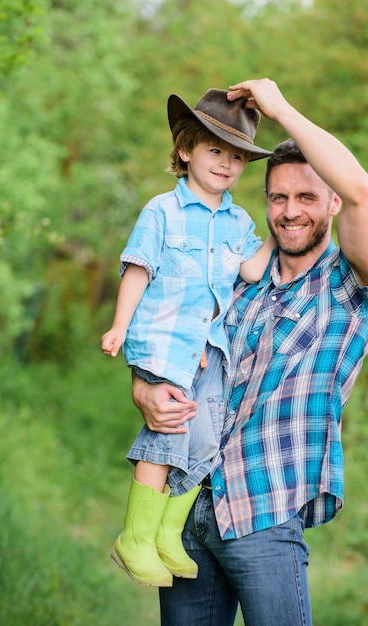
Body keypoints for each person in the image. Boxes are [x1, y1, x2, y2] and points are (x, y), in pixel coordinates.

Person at [132, 78, 368, 625]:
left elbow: (364, 190)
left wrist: (278, 109)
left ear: (331, 201)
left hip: (264, 510)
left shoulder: (351, 286)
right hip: (184, 510)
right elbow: (170, 336)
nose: (290, 210)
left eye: (306, 196)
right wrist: (144, 388)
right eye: (278, 196)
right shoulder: (237, 269)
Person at [101, 87, 274, 587]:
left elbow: (249, 270)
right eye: (215, 150)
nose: (226, 163)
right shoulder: (162, 211)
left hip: (207, 350)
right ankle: (134, 536)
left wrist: (281, 239)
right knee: (169, 428)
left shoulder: (239, 221)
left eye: (237, 156)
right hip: (162, 342)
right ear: (185, 149)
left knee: (203, 441)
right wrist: (118, 326)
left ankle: (166, 534)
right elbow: (138, 269)